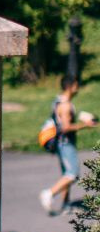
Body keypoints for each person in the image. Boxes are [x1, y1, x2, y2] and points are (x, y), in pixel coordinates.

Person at [39, 76, 97, 215]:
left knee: (67, 174)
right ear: (70, 86)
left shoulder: (58, 100)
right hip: (65, 143)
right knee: (72, 174)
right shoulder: (65, 105)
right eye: (77, 85)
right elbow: (65, 127)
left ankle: (66, 205)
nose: (78, 88)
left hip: (62, 143)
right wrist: (85, 125)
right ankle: (49, 193)